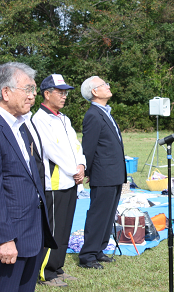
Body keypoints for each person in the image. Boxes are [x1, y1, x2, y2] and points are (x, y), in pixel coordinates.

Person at [0, 62, 57, 292]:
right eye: (28, 89)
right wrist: (5, 239)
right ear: (6, 92)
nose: (34, 95)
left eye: (34, 89)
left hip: (29, 237)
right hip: (9, 242)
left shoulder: (18, 126)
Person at [32, 74, 86, 287]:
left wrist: (82, 165)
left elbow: (76, 145)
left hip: (71, 181)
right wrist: (75, 170)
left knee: (64, 228)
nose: (64, 96)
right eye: (60, 92)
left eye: (66, 92)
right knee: (53, 230)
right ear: (47, 94)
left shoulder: (63, 118)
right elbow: (52, 150)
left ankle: (57, 267)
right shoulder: (40, 119)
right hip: (54, 183)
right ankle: (46, 272)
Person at [78, 76, 126, 269]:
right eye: (104, 84)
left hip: (113, 173)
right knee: (98, 215)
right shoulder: (93, 115)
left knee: (108, 215)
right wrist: (87, 170)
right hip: (103, 174)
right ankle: (87, 255)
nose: (108, 86)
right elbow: (88, 147)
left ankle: (99, 250)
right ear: (94, 92)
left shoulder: (105, 112)